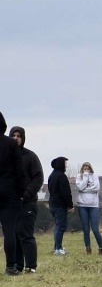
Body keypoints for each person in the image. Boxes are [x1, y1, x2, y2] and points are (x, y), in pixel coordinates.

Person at [10, 127, 43, 273]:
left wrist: (26, 195)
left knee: (25, 235)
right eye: (13, 135)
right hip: (11, 204)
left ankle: (31, 266)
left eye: (18, 136)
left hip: (27, 203)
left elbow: (38, 178)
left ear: (23, 138)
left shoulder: (30, 157)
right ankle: (18, 266)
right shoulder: (5, 157)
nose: (16, 138)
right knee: (15, 236)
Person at [0, 111, 22, 275]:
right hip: (9, 192)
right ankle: (10, 267)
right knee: (9, 232)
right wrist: (20, 193)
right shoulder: (11, 144)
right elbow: (19, 171)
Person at [75, 163, 102, 255]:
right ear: (82, 169)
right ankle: (88, 249)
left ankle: (101, 248)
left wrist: (84, 190)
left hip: (93, 205)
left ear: (91, 168)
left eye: (88, 168)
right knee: (86, 229)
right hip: (82, 205)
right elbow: (80, 187)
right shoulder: (79, 176)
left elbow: (96, 188)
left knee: (95, 229)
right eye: (85, 168)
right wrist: (85, 176)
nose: (86, 169)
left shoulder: (95, 176)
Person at [47, 157, 73, 256]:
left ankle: (57, 247)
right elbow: (66, 192)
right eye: (65, 163)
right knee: (61, 227)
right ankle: (58, 249)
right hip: (59, 205)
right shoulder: (61, 176)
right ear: (61, 164)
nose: (66, 165)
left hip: (52, 204)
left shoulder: (51, 176)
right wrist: (70, 205)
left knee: (58, 226)